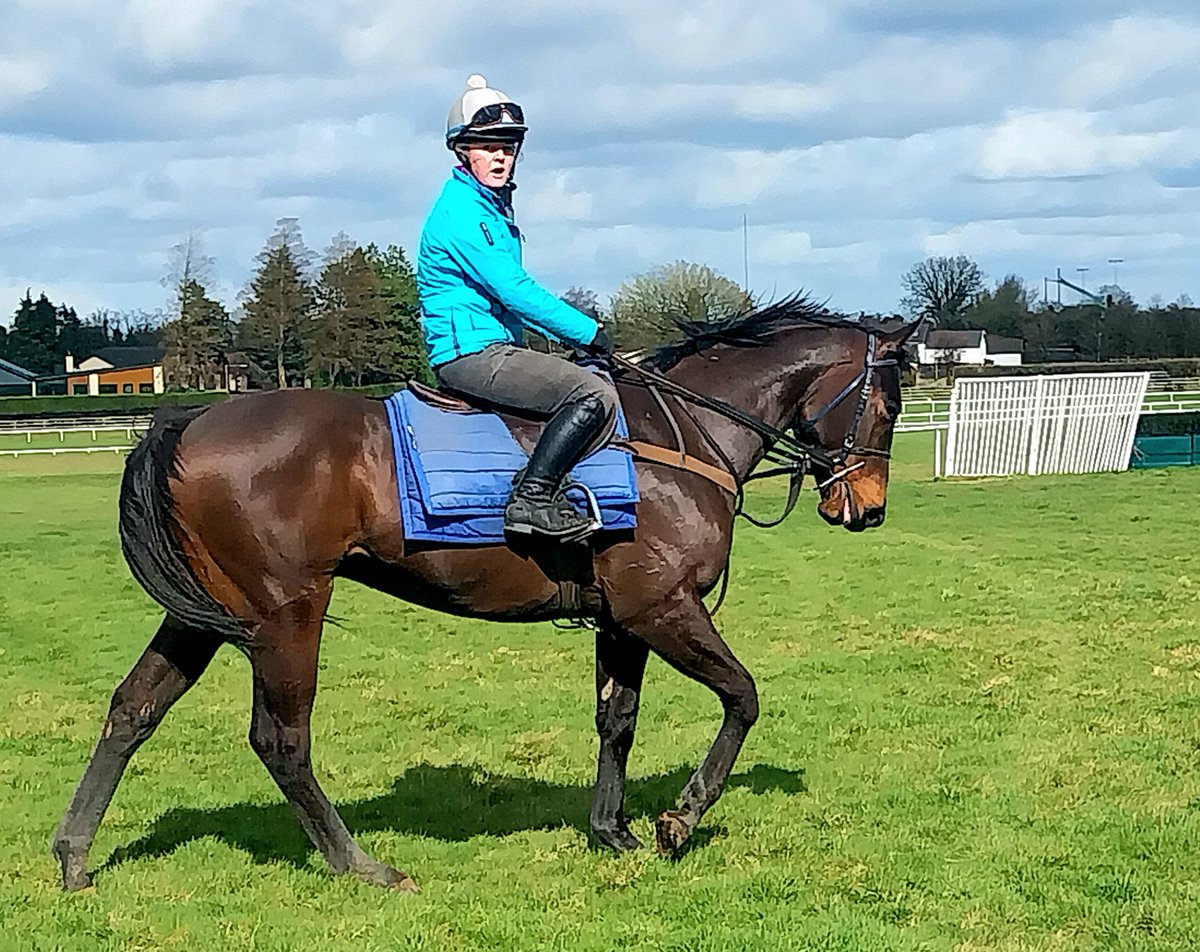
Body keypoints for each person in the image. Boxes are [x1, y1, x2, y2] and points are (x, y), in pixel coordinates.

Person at [417, 74, 617, 542]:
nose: (500, 157)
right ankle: (532, 498)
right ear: (463, 151)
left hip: (493, 346)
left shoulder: (488, 208)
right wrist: (589, 333)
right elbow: (516, 292)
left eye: (508, 147)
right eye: (487, 146)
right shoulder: (463, 212)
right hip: (471, 354)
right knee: (591, 395)